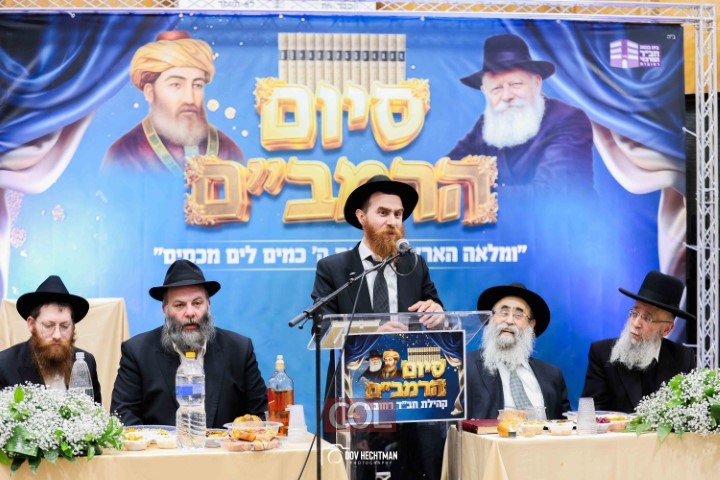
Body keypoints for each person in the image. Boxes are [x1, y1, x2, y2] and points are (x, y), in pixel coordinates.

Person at [311, 174, 444, 480]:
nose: (392, 221)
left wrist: (437, 311)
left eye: (398, 214)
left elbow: (436, 310)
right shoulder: (334, 269)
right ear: (362, 217)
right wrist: (370, 334)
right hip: (355, 393)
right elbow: (322, 329)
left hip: (411, 392)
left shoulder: (415, 265)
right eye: (382, 212)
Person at [110, 259, 267, 427]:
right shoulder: (138, 352)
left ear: (208, 305)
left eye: (197, 303)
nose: (190, 313)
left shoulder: (239, 349)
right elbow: (123, 416)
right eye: (179, 305)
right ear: (165, 310)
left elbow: (260, 414)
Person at [447, 34, 593, 189]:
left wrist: (474, 195)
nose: (507, 96)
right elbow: (449, 168)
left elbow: (553, 191)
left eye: (516, 84)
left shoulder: (568, 119)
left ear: (537, 83)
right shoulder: (486, 125)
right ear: (485, 92)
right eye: (496, 88)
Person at [102, 30, 244, 174]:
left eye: (197, 85)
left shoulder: (227, 150)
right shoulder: (123, 154)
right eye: (176, 85)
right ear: (150, 92)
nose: (189, 99)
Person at [581, 270, 696, 413]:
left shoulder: (684, 358)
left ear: (667, 329)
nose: (635, 323)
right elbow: (591, 413)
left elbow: (689, 412)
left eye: (647, 318)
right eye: (635, 313)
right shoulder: (602, 354)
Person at [466, 282, 570, 420]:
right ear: (490, 318)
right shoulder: (465, 366)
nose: (509, 321)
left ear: (531, 325)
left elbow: (566, 424)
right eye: (504, 313)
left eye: (518, 315)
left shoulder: (553, 375)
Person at [0, 275, 101, 403]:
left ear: (73, 327)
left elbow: (95, 413)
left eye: (64, 326)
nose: (57, 335)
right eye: (49, 326)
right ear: (31, 324)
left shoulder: (86, 362)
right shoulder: (4, 365)